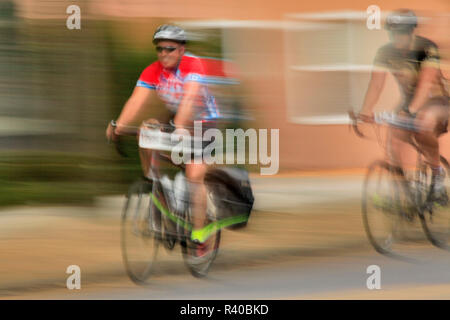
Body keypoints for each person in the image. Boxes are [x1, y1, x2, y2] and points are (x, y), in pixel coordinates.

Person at [106, 24, 220, 256]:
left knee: (194, 175)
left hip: (203, 123)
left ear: (181, 49)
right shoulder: (153, 70)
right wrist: (119, 126)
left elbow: (189, 100)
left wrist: (179, 128)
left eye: (169, 49)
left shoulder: (193, 65)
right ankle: (154, 184)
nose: (164, 54)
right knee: (146, 129)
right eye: (160, 49)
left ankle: (200, 236)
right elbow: (136, 100)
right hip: (175, 118)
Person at [359, 9, 450, 202]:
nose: (397, 37)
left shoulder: (427, 48)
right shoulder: (384, 52)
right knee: (394, 139)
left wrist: (410, 111)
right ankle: (404, 191)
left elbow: (426, 84)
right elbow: (375, 85)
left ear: (411, 32)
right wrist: (365, 110)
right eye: (393, 32)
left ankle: (437, 172)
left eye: (402, 32)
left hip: (437, 100)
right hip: (408, 102)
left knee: (423, 124)